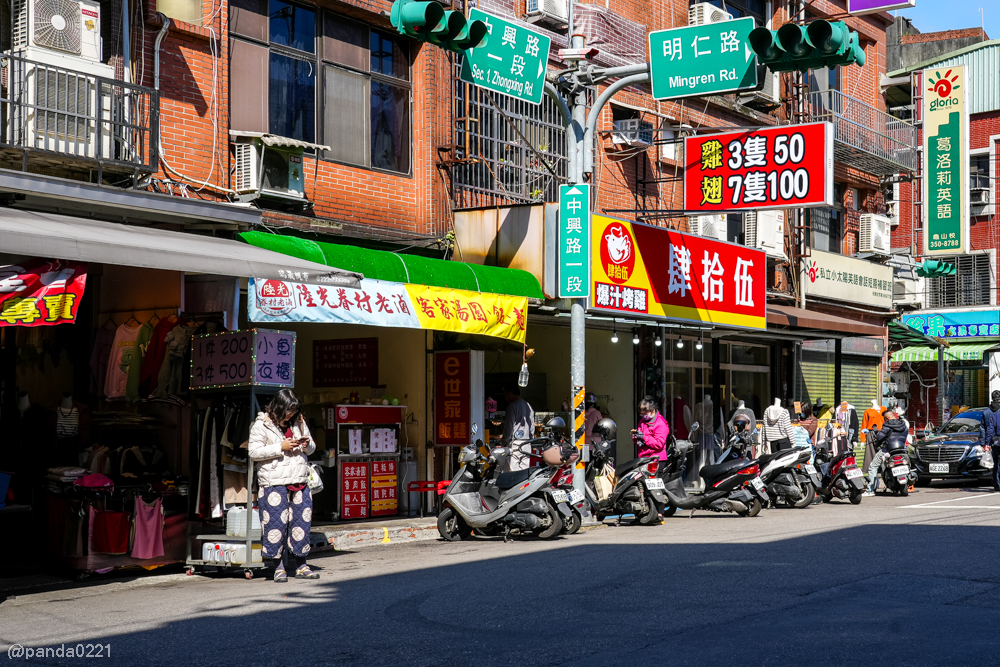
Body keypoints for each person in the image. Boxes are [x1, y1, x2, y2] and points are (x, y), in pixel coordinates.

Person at [248, 388, 319, 583]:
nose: (291, 414)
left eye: (294, 410)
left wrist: (305, 444)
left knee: (301, 524)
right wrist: (281, 447)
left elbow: (312, 448)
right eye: (288, 410)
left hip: (299, 480)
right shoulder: (261, 424)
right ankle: (278, 568)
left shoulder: (299, 422)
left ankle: (302, 565)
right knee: (275, 525)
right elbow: (253, 452)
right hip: (274, 482)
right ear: (278, 407)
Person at [863, 409, 908, 497]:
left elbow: (880, 437)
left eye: (884, 419)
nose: (884, 420)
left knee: (873, 466)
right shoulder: (903, 424)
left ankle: (870, 490)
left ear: (887, 418)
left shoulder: (887, 425)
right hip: (901, 449)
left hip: (887, 450)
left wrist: (876, 431)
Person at [632, 396, 669, 473]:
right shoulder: (642, 421)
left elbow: (659, 444)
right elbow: (639, 443)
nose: (643, 416)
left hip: (656, 460)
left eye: (645, 413)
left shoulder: (661, 424)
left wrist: (644, 437)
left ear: (653, 410)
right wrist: (636, 438)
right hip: (643, 458)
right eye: (641, 414)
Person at [502, 386, 535, 471]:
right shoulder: (528, 406)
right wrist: (531, 440)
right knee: (524, 473)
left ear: (510, 394)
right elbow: (532, 426)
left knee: (512, 473)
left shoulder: (512, 406)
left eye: (506, 394)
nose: (505, 397)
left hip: (515, 444)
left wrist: (505, 441)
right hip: (527, 444)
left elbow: (509, 426)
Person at [985, 390, 1000, 492]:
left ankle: (996, 482)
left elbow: (990, 430)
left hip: (996, 441)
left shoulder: (994, 415)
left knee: (996, 462)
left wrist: (987, 442)